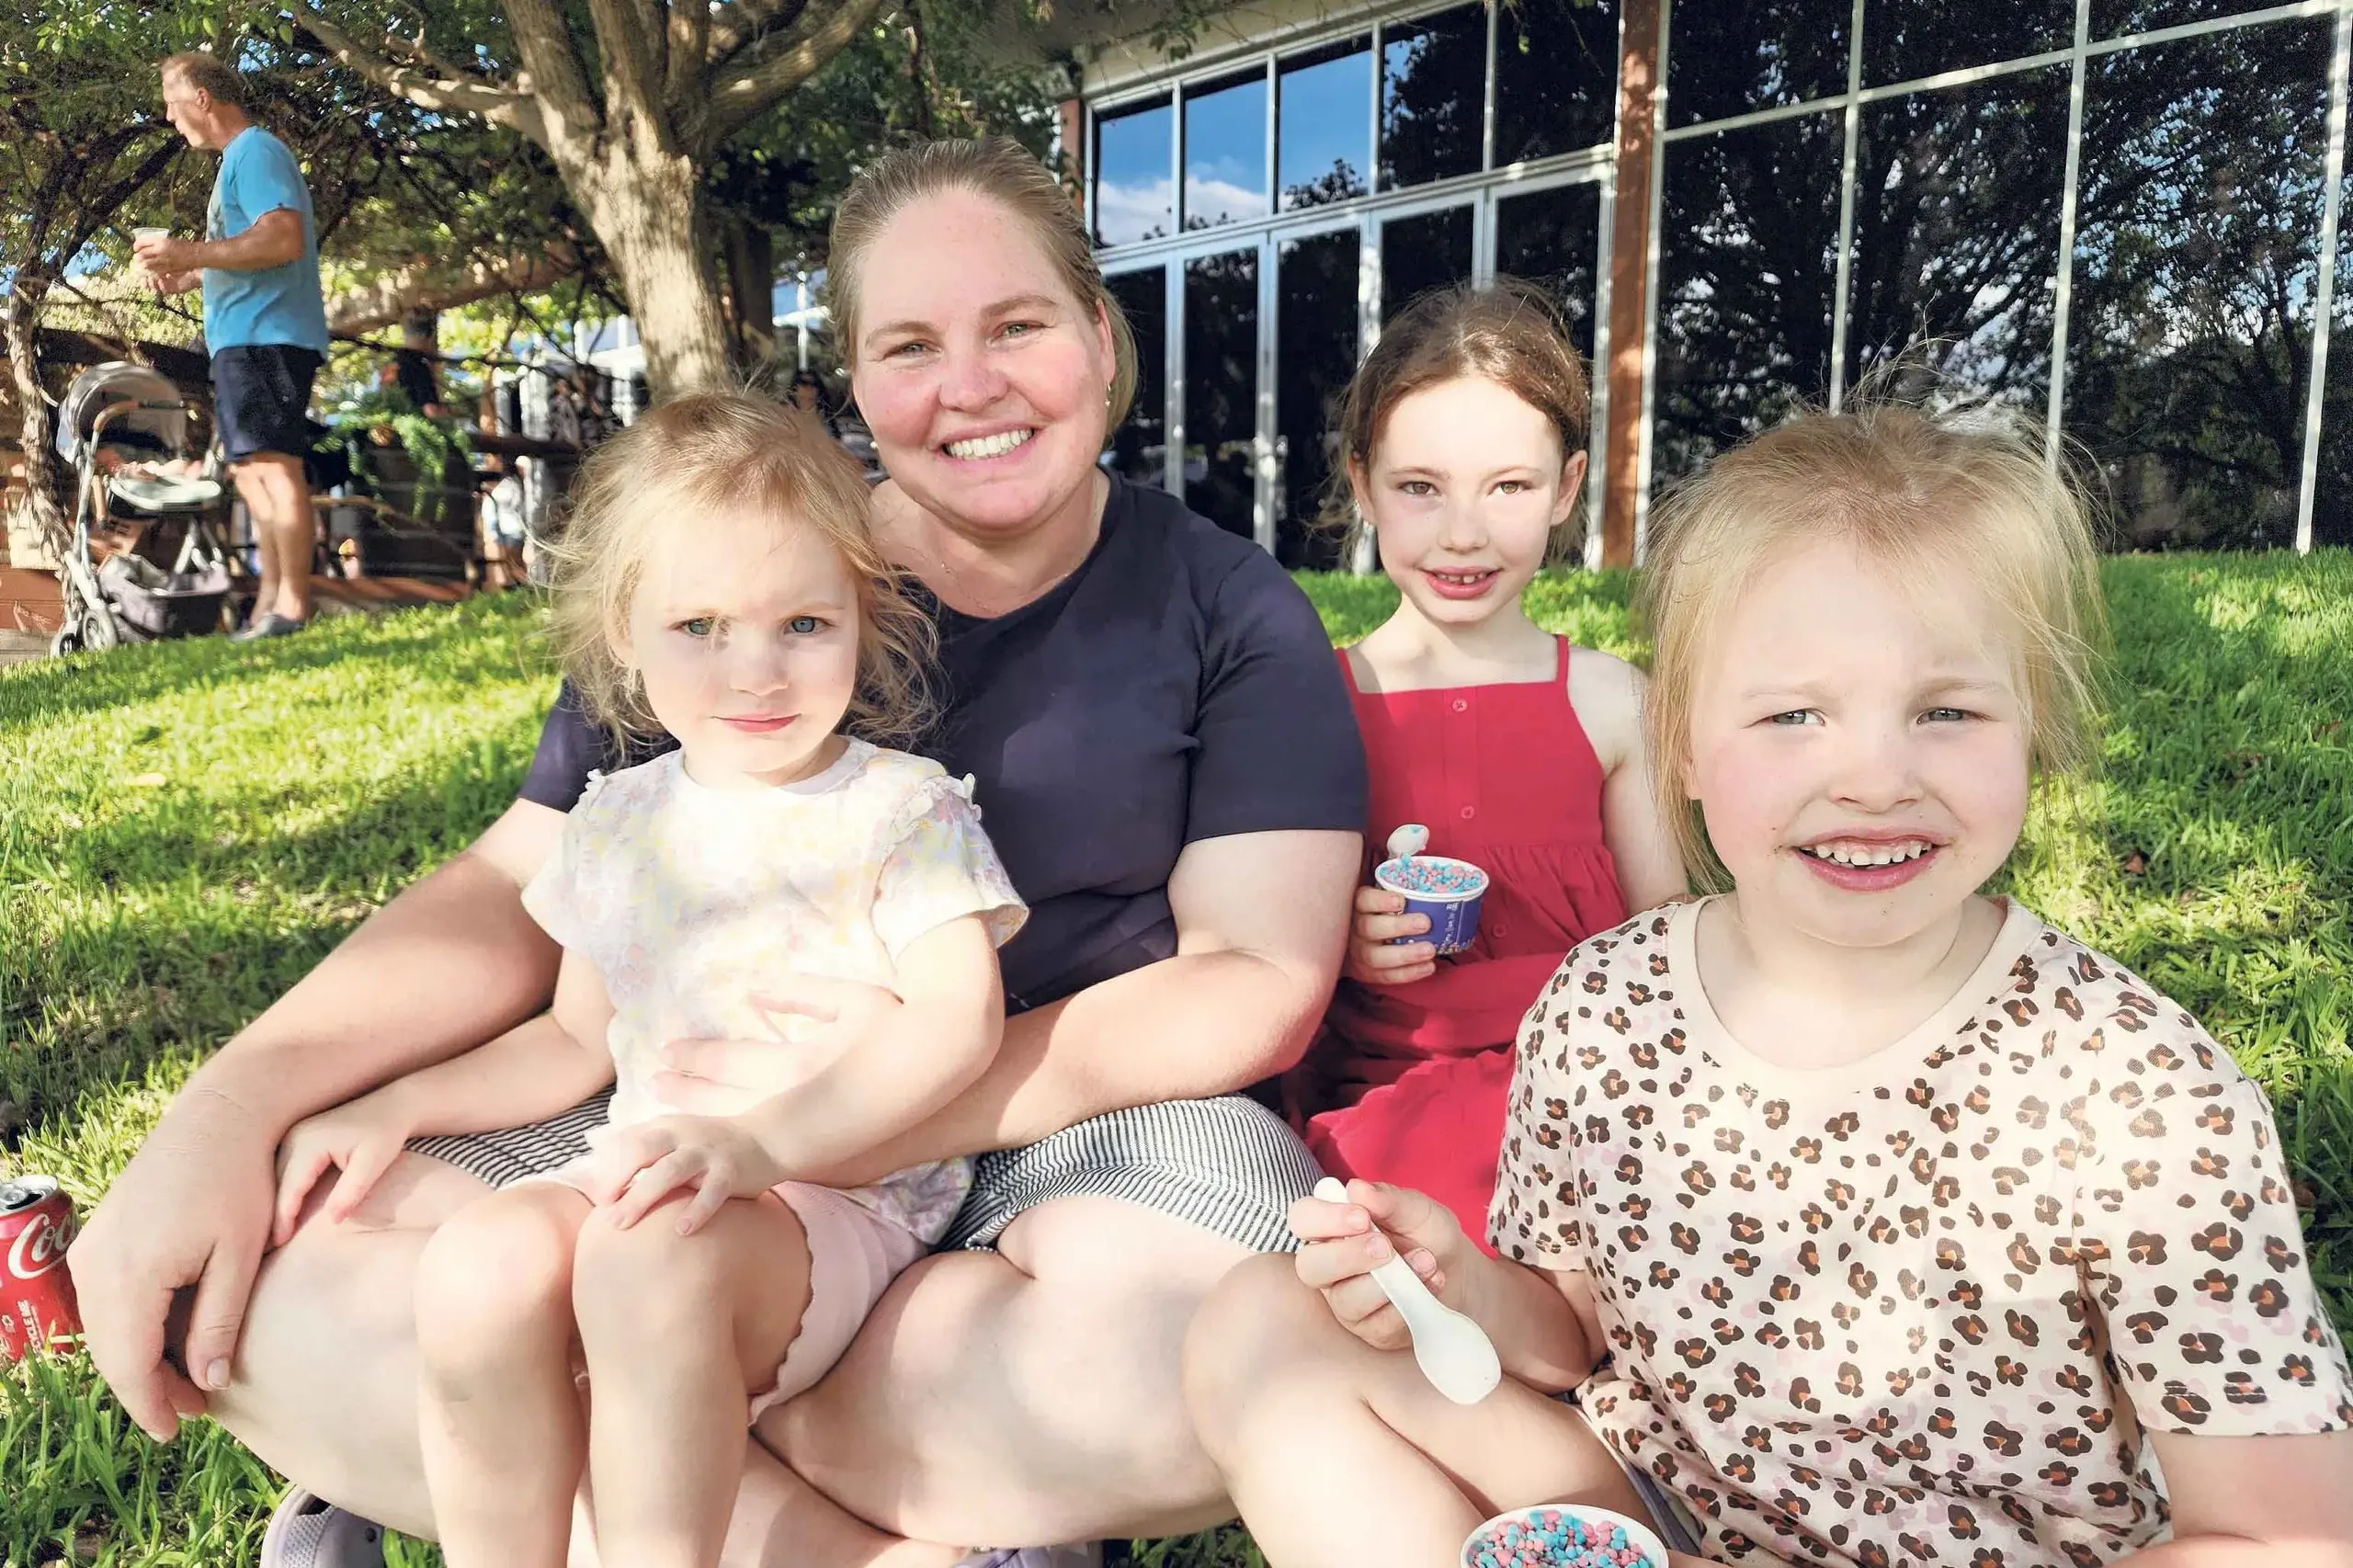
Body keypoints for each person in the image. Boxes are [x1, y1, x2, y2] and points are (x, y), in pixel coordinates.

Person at [69, 135, 1365, 1568]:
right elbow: (520, 887)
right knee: (289, 1270)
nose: (973, 386)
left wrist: (808, 1132)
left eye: (1020, 326)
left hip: (1054, 1124)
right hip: (682, 1097)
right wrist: (232, 1105)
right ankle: (873, 1517)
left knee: (1212, 1344)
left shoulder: (1230, 607)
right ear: (856, 378)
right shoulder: (729, 573)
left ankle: (576, 1447)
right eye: (911, 344)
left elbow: (1253, 975)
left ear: (1100, 338)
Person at [1183, 402, 2353, 1568]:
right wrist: (1463, 1284)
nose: (1872, 777)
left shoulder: (2137, 1091)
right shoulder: (1605, 1002)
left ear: (2032, 723)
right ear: (1680, 739)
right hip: (1660, 1506)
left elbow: (2287, 1534)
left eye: (1945, 711)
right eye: (1792, 715)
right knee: (1261, 1321)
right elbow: (1572, 1326)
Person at [267, 393, 1025, 1568]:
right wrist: (398, 1099)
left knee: (646, 1260)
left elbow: (959, 1022)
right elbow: (574, 1040)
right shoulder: (619, 818)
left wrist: (764, 1146)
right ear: (623, 630)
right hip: (646, 1176)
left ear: (863, 617)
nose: (756, 669)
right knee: (479, 1264)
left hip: (827, 1198)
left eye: (804, 623)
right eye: (700, 625)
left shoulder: (899, 808)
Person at [1284, 280, 1685, 1246]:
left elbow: (1672, 946)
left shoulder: (1610, 699)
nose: (1462, 532)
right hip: (1390, 1100)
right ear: (1361, 485)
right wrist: (1339, 936)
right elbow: (1259, 938)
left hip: (1591, 1093)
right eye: (1419, 487)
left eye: (1507, 485)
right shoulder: (1310, 700)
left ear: (1565, 486)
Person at [137, 51, 330, 642]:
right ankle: (269, 604)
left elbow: (282, 239)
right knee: (250, 472)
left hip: (269, 336)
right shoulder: (232, 165)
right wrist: (190, 274)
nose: (169, 118)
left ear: (201, 98)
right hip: (241, 339)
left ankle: (293, 606)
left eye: (172, 103)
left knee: (274, 467)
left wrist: (191, 253)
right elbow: (246, 252)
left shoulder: (257, 150)